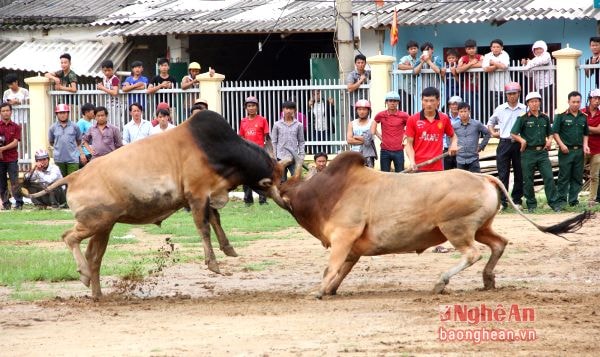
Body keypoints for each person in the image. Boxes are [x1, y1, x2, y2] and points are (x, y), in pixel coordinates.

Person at [405, 87, 457, 253]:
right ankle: (413, 242)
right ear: (421, 101)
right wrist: (412, 161)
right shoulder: (413, 120)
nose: (428, 104)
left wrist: (453, 145)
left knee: (436, 209)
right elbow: (409, 144)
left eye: (432, 101)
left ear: (438, 101)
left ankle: (437, 243)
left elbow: (452, 135)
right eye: (425, 100)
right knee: (417, 208)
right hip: (418, 170)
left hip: (436, 171)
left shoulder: (444, 118)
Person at [510, 91, 560, 213]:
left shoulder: (545, 117)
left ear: (540, 102)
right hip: (528, 153)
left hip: (542, 153)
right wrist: (522, 141)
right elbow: (513, 133)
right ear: (528, 104)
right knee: (528, 180)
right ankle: (531, 204)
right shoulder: (522, 118)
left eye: (536, 101)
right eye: (531, 102)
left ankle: (554, 203)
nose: (534, 104)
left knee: (548, 177)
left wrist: (549, 140)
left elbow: (550, 132)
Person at [488, 82, 527, 209]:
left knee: (519, 172)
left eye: (514, 94)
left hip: (519, 144)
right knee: (503, 173)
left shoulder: (524, 109)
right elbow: (491, 122)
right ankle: (502, 201)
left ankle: (517, 200)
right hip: (504, 143)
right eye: (509, 94)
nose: (511, 96)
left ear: (519, 94)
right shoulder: (500, 108)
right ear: (506, 95)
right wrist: (493, 132)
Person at [552, 91, 590, 209]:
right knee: (564, 177)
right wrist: (561, 145)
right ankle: (562, 201)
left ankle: (573, 200)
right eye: (573, 102)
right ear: (568, 102)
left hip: (578, 151)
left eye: (578, 102)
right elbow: (555, 132)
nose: (575, 104)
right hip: (566, 151)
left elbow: (586, 133)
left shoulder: (583, 117)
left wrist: (585, 145)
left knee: (577, 177)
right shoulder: (561, 116)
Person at [239, 96, 271, 205]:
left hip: (260, 154)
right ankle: (248, 200)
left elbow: (267, 137)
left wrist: (269, 153)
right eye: (249, 106)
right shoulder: (243, 121)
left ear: (257, 107)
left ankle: (263, 200)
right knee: (246, 177)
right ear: (246, 108)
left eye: (253, 106)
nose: (251, 108)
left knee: (261, 177)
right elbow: (242, 138)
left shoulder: (263, 120)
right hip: (247, 154)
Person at [371, 91, 408, 172]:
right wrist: (380, 137)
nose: (392, 103)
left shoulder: (404, 115)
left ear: (398, 102)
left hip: (398, 150)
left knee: (401, 174)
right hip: (385, 150)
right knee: (384, 175)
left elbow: (411, 127)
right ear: (386, 102)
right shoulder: (381, 115)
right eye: (390, 101)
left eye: (395, 101)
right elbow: (373, 129)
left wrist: (404, 136)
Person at [272, 100, 305, 181]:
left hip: (293, 157)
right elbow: (274, 141)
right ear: (283, 110)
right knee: (281, 180)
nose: (288, 111)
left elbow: (301, 141)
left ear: (295, 110)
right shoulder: (277, 125)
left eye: (291, 109)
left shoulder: (299, 125)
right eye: (286, 108)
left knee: (296, 178)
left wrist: (301, 155)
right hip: (280, 157)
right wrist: (274, 156)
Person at [453, 102, 490, 173]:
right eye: (461, 112)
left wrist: (481, 146)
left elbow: (488, 133)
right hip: (460, 159)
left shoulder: (476, 124)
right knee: (461, 181)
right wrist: (452, 147)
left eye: (465, 111)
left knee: (476, 180)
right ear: (458, 113)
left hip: (473, 158)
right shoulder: (455, 126)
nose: (463, 114)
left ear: (469, 112)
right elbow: (450, 136)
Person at [49, 104, 83, 177]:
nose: (62, 115)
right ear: (56, 114)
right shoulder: (52, 128)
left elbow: (78, 140)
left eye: (64, 113)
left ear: (68, 113)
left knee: (73, 180)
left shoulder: (75, 126)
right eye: (60, 113)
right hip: (59, 159)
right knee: (60, 180)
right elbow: (51, 142)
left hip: (73, 159)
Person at [521, 40, 554, 116]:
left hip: (548, 85)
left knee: (547, 105)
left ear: (544, 49)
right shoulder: (534, 60)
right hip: (539, 87)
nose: (538, 51)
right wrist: (525, 65)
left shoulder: (546, 55)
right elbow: (529, 75)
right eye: (536, 49)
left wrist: (528, 64)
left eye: (540, 48)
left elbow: (541, 61)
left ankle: (547, 120)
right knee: (541, 106)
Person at [0, 102, 23, 210]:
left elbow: (15, 142)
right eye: (3, 111)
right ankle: (6, 203)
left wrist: (2, 149)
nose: (5, 113)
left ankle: (19, 203)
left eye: (7, 110)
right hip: (0, 160)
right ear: (0, 113)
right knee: (2, 182)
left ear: (11, 112)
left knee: (15, 181)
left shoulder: (16, 127)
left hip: (12, 158)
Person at [582, 89, 600, 207]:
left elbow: (599, 130)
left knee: (595, 175)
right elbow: (577, 127)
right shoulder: (582, 112)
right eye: (595, 98)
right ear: (589, 99)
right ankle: (572, 198)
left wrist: (585, 128)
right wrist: (593, 129)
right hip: (583, 147)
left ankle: (592, 199)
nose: (597, 101)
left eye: (599, 99)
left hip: (597, 149)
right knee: (576, 173)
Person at [482, 39, 511, 114]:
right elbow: (485, 69)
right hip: (493, 88)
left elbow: (504, 66)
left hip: (506, 87)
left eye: (498, 47)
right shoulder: (487, 55)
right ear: (491, 48)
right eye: (494, 47)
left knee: (507, 108)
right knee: (496, 109)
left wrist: (493, 62)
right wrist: (498, 64)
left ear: (502, 48)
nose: (495, 49)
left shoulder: (505, 54)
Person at [347, 99, 376, 168]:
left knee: (369, 176)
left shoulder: (372, 122)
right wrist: (364, 139)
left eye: (364, 109)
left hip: (368, 155)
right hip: (354, 154)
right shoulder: (351, 123)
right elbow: (349, 140)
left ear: (368, 111)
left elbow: (369, 140)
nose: (362, 112)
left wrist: (355, 137)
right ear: (356, 110)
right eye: (359, 109)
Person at [457, 39, 482, 117]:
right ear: (466, 50)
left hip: (479, 88)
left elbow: (482, 64)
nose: (471, 50)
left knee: (477, 108)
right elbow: (458, 70)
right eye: (469, 49)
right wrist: (471, 63)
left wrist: (466, 66)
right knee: (467, 107)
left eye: (473, 48)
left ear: (476, 48)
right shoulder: (463, 58)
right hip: (466, 88)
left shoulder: (480, 57)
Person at [308, 89, 335, 154]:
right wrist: (309, 107)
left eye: (318, 93)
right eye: (314, 94)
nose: (316, 96)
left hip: (326, 128)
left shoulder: (326, 102)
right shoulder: (311, 104)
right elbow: (308, 118)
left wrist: (332, 105)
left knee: (327, 147)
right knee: (315, 148)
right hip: (315, 129)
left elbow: (333, 114)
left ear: (321, 94)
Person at [398, 40, 419, 114]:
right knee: (404, 110)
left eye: (415, 48)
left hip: (411, 89)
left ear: (417, 49)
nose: (413, 50)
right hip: (403, 89)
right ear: (408, 51)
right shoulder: (406, 58)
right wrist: (412, 67)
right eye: (411, 49)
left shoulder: (417, 60)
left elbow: (418, 71)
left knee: (410, 110)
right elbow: (400, 66)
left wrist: (409, 67)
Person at [443, 95, 462, 170]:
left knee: (460, 173)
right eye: (452, 104)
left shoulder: (465, 118)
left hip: (460, 149)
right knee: (446, 173)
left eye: (456, 104)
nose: (454, 106)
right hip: (446, 149)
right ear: (449, 106)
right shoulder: (444, 117)